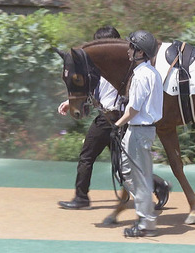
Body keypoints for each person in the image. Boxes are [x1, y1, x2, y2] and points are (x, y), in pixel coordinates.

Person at [58, 26, 170, 211]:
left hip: (112, 118)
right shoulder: (106, 69)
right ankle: (158, 185)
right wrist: (70, 102)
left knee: (87, 156)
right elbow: (90, 90)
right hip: (112, 118)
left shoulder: (119, 70)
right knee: (122, 164)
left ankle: (81, 197)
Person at [113, 30, 163, 237]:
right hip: (138, 131)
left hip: (138, 131)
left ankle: (146, 223)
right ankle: (147, 203)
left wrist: (116, 125)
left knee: (138, 177)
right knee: (126, 171)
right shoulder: (152, 73)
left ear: (140, 52)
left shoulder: (142, 76)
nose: (128, 50)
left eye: (132, 47)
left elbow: (133, 109)